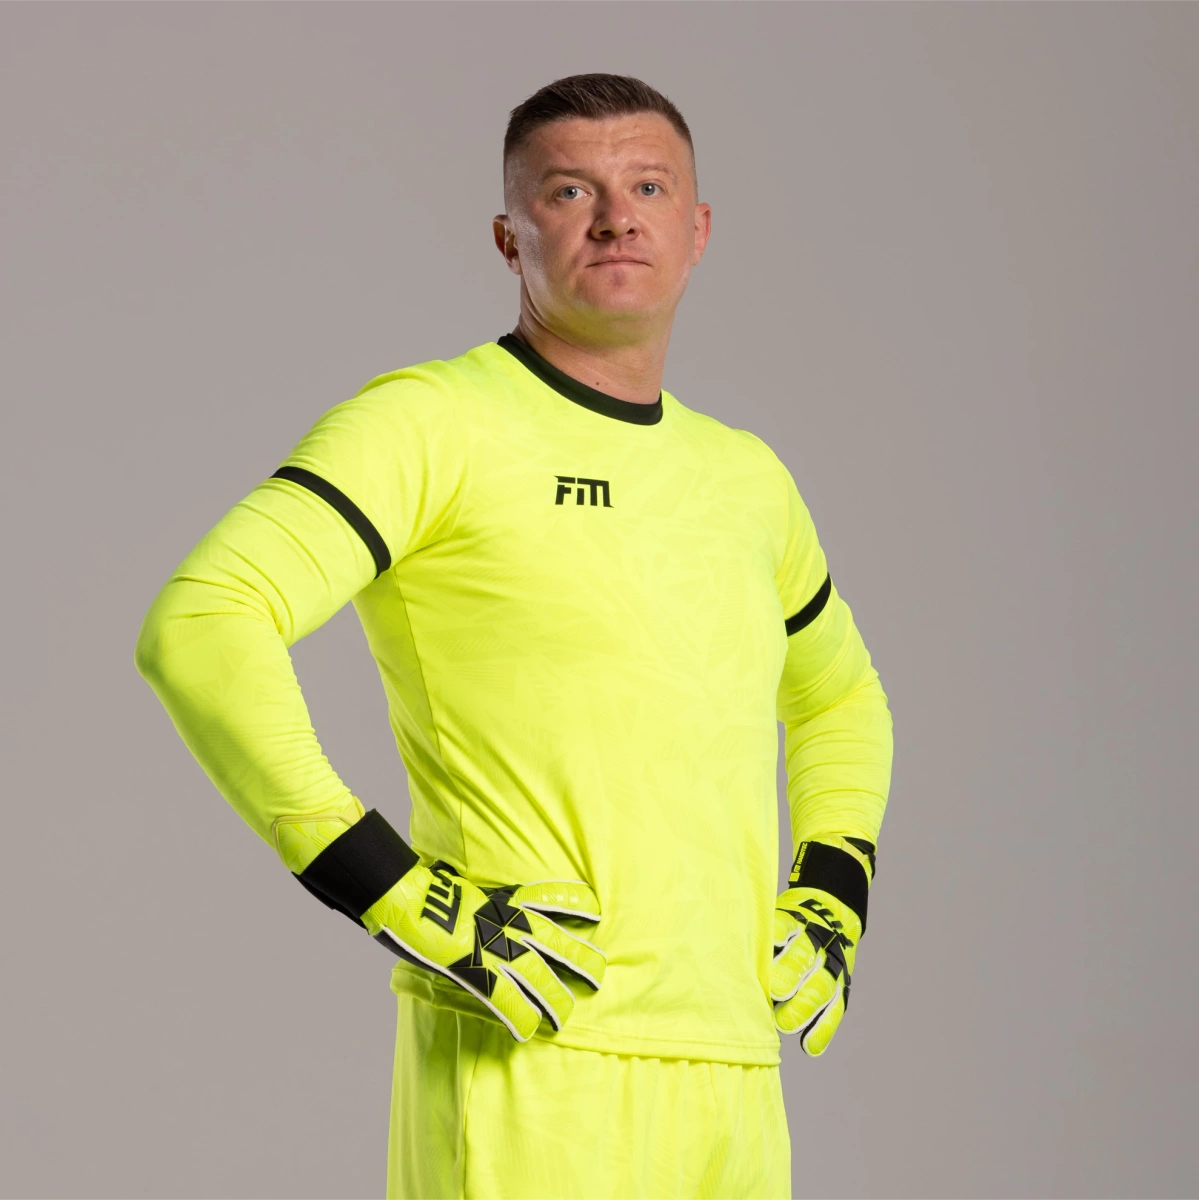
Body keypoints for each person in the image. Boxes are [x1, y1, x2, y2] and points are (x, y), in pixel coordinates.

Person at [136, 73, 893, 1200]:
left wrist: (832, 883)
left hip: (732, 1064)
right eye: (568, 191)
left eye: (647, 188)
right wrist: (389, 887)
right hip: (529, 1053)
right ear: (509, 236)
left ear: (696, 231)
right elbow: (203, 623)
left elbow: (839, 698)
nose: (615, 217)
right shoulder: (431, 423)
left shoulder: (747, 479)